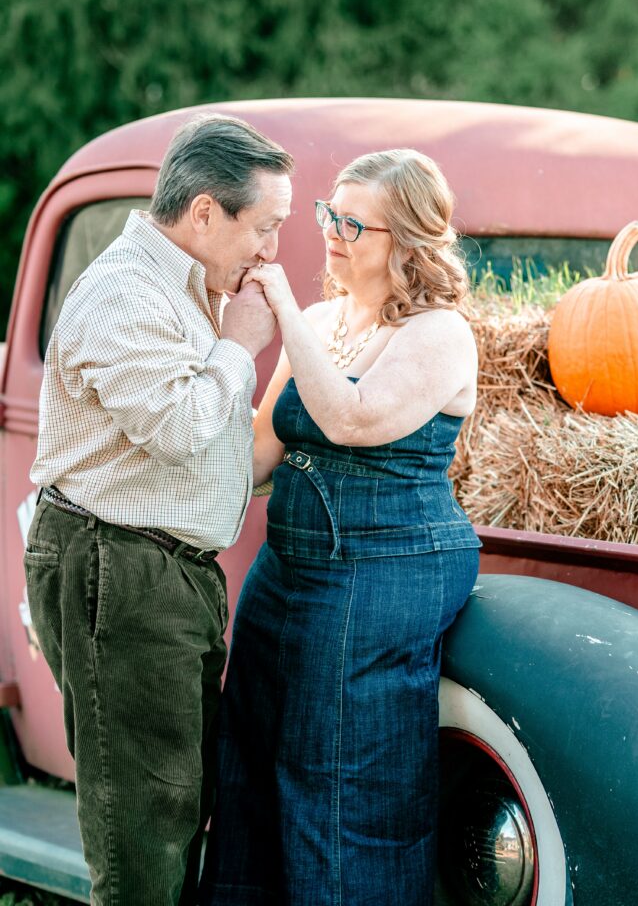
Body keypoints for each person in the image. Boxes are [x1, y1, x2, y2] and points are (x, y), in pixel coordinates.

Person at [24, 114, 294, 906]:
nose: (270, 251)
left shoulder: (190, 291)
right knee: (142, 826)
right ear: (206, 211)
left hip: (160, 570)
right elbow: (178, 428)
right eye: (265, 227)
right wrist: (242, 345)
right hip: (120, 566)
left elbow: (206, 452)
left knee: (179, 805)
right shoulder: (123, 293)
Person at [199, 149, 482, 906]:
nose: (332, 232)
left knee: (337, 778)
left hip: (382, 568)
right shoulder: (325, 321)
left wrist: (285, 316)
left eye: (354, 223)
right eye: (330, 215)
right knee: (253, 754)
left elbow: (352, 420)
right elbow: (261, 451)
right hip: (290, 565)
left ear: (411, 239)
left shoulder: (440, 332)